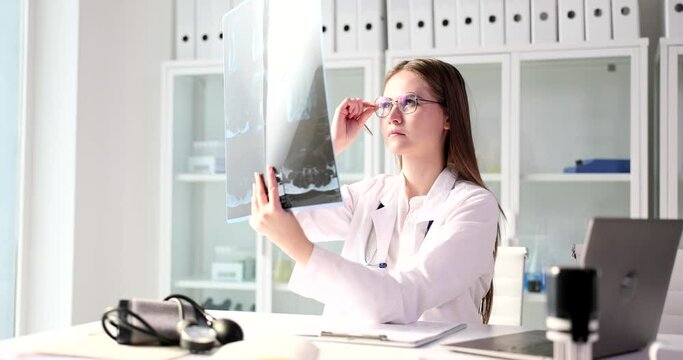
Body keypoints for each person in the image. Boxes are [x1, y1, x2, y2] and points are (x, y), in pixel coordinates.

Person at [250, 58, 501, 325]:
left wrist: (300, 248)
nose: (393, 116)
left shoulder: (474, 206)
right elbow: (279, 205)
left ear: (448, 117)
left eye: (410, 103)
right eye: (385, 104)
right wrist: (328, 147)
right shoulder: (370, 195)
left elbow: (405, 298)